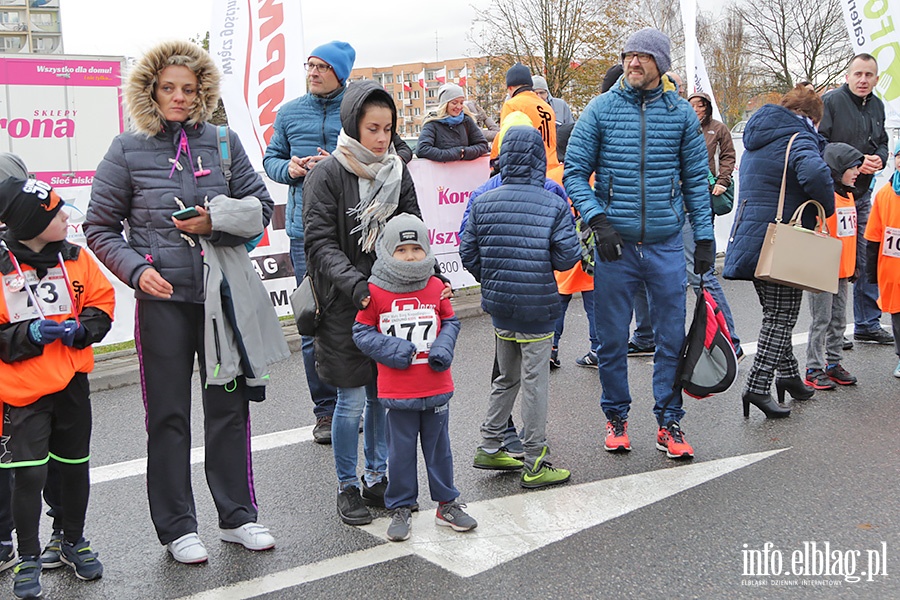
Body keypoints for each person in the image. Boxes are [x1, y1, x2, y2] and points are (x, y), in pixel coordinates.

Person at [85, 40, 277, 564]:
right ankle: (176, 528)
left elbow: (260, 208)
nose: (179, 97)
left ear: (203, 93)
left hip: (221, 299)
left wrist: (216, 221)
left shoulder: (224, 140)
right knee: (168, 417)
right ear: (150, 90)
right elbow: (99, 227)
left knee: (229, 409)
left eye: (189, 89)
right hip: (163, 304)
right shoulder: (125, 149)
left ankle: (238, 516)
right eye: (168, 88)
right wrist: (137, 271)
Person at [564, 28, 712, 458]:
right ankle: (616, 418)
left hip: (666, 244)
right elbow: (574, 172)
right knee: (611, 341)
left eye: (643, 57)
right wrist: (598, 221)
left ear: (661, 64)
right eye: (629, 55)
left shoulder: (682, 114)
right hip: (616, 247)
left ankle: (669, 422)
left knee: (670, 339)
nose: (632, 63)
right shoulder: (601, 109)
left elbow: (695, 184)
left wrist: (703, 238)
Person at [303, 79, 441, 526]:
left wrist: (431, 278)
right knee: (351, 402)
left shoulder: (397, 172)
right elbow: (320, 245)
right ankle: (347, 485)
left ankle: (377, 476)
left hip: (389, 303)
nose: (382, 138)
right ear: (353, 125)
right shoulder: (327, 175)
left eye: (388, 128)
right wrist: (359, 288)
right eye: (373, 128)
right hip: (345, 305)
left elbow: (414, 230)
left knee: (383, 397)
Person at [0, 177, 115, 598]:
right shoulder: (2, 264)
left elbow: (102, 306)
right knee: (28, 476)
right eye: (55, 213)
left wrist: (80, 331)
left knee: (73, 468)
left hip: (71, 385)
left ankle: (71, 540)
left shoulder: (76, 258)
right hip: (20, 392)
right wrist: (27, 335)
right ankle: (27, 558)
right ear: (32, 222)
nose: (66, 216)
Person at [461, 125, 580, 488]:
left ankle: (490, 442)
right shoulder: (553, 202)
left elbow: (468, 253)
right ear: (538, 157)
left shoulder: (482, 201)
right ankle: (535, 460)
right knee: (534, 383)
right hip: (538, 305)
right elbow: (566, 258)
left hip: (500, 304)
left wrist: (493, 275)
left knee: (506, 377)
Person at [353, 213, 476, 542]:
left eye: (416, 249)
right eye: (402, 249)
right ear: (387, 251)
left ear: (427, 251)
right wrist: (394, 349)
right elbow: (361, 332)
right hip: (398, 390)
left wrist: (443, 350)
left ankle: (447, 503)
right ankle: (401, 506)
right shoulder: (375, 290)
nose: (410, 256)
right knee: (401, 452)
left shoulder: (436, 286)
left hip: (436, 386)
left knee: (440, 450)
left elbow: (451, 322)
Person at [263, 41, 356, 444]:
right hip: (305, 232)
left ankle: (359, 400)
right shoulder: (288, 112)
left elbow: (386, 153)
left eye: (321, 67)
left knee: (356, 316)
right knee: (311, 321)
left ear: (340, 73)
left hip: (351, 228)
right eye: (310, 65)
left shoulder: (357, 109)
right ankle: (325, 411)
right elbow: (270, 161)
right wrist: (292, 168)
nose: (313, 72)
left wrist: (334, 164)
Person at [723, 84, 835, 418]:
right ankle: (757, 387)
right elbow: (815, 173)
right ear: (811, 117)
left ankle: (789, 378)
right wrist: (825, 207)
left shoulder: (761, 136)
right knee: (782, 317)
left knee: (775, 314)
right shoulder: (798, 138)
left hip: (754, 236)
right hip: (784, 238)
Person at [820, 54, 893, 347]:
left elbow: (884, 141)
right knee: (832, 263)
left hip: (862, 194)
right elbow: (820, 144)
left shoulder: (876, 105)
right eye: (858, 74)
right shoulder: (832, 102)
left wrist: (880, 158)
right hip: (834, 195)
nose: (863, 80)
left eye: (869, 75)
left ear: (876, 79)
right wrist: (854, 161)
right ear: (847, 76)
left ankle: (867, 323)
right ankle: (831, 332)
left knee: (864, 258)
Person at [804, 143, 862, 391]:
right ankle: (813, 367)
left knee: (839, 319)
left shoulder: (848, 194)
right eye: (853, 167)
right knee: (822, 320)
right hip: (822, 269)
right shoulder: (824, 196)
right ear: (839, 169)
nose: (858, 172)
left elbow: (852, 234)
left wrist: (856, 263)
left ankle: (834, 363)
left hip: (842, 268)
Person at [864, 144, 900, 377]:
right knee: (897, 316)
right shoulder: (885, 194)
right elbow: (874, 235)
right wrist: (871, 272)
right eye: (899, 156)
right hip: (892, 267)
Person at [489, 63, 558, 171]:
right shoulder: (546, 106)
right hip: (552, 167)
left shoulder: (512, 105)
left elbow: (506, 141)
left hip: (530, 169)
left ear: (510, 88)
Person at [415, 83, 489, 162]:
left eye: (461, 103)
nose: (459, 107)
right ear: (445, 104)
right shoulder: (432, 123)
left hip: (465, 171)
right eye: (454, 103)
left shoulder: (467, 121)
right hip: (440, 172)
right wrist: (455, 153)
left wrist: (465, 152)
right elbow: (422, 149)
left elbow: (483, 145)